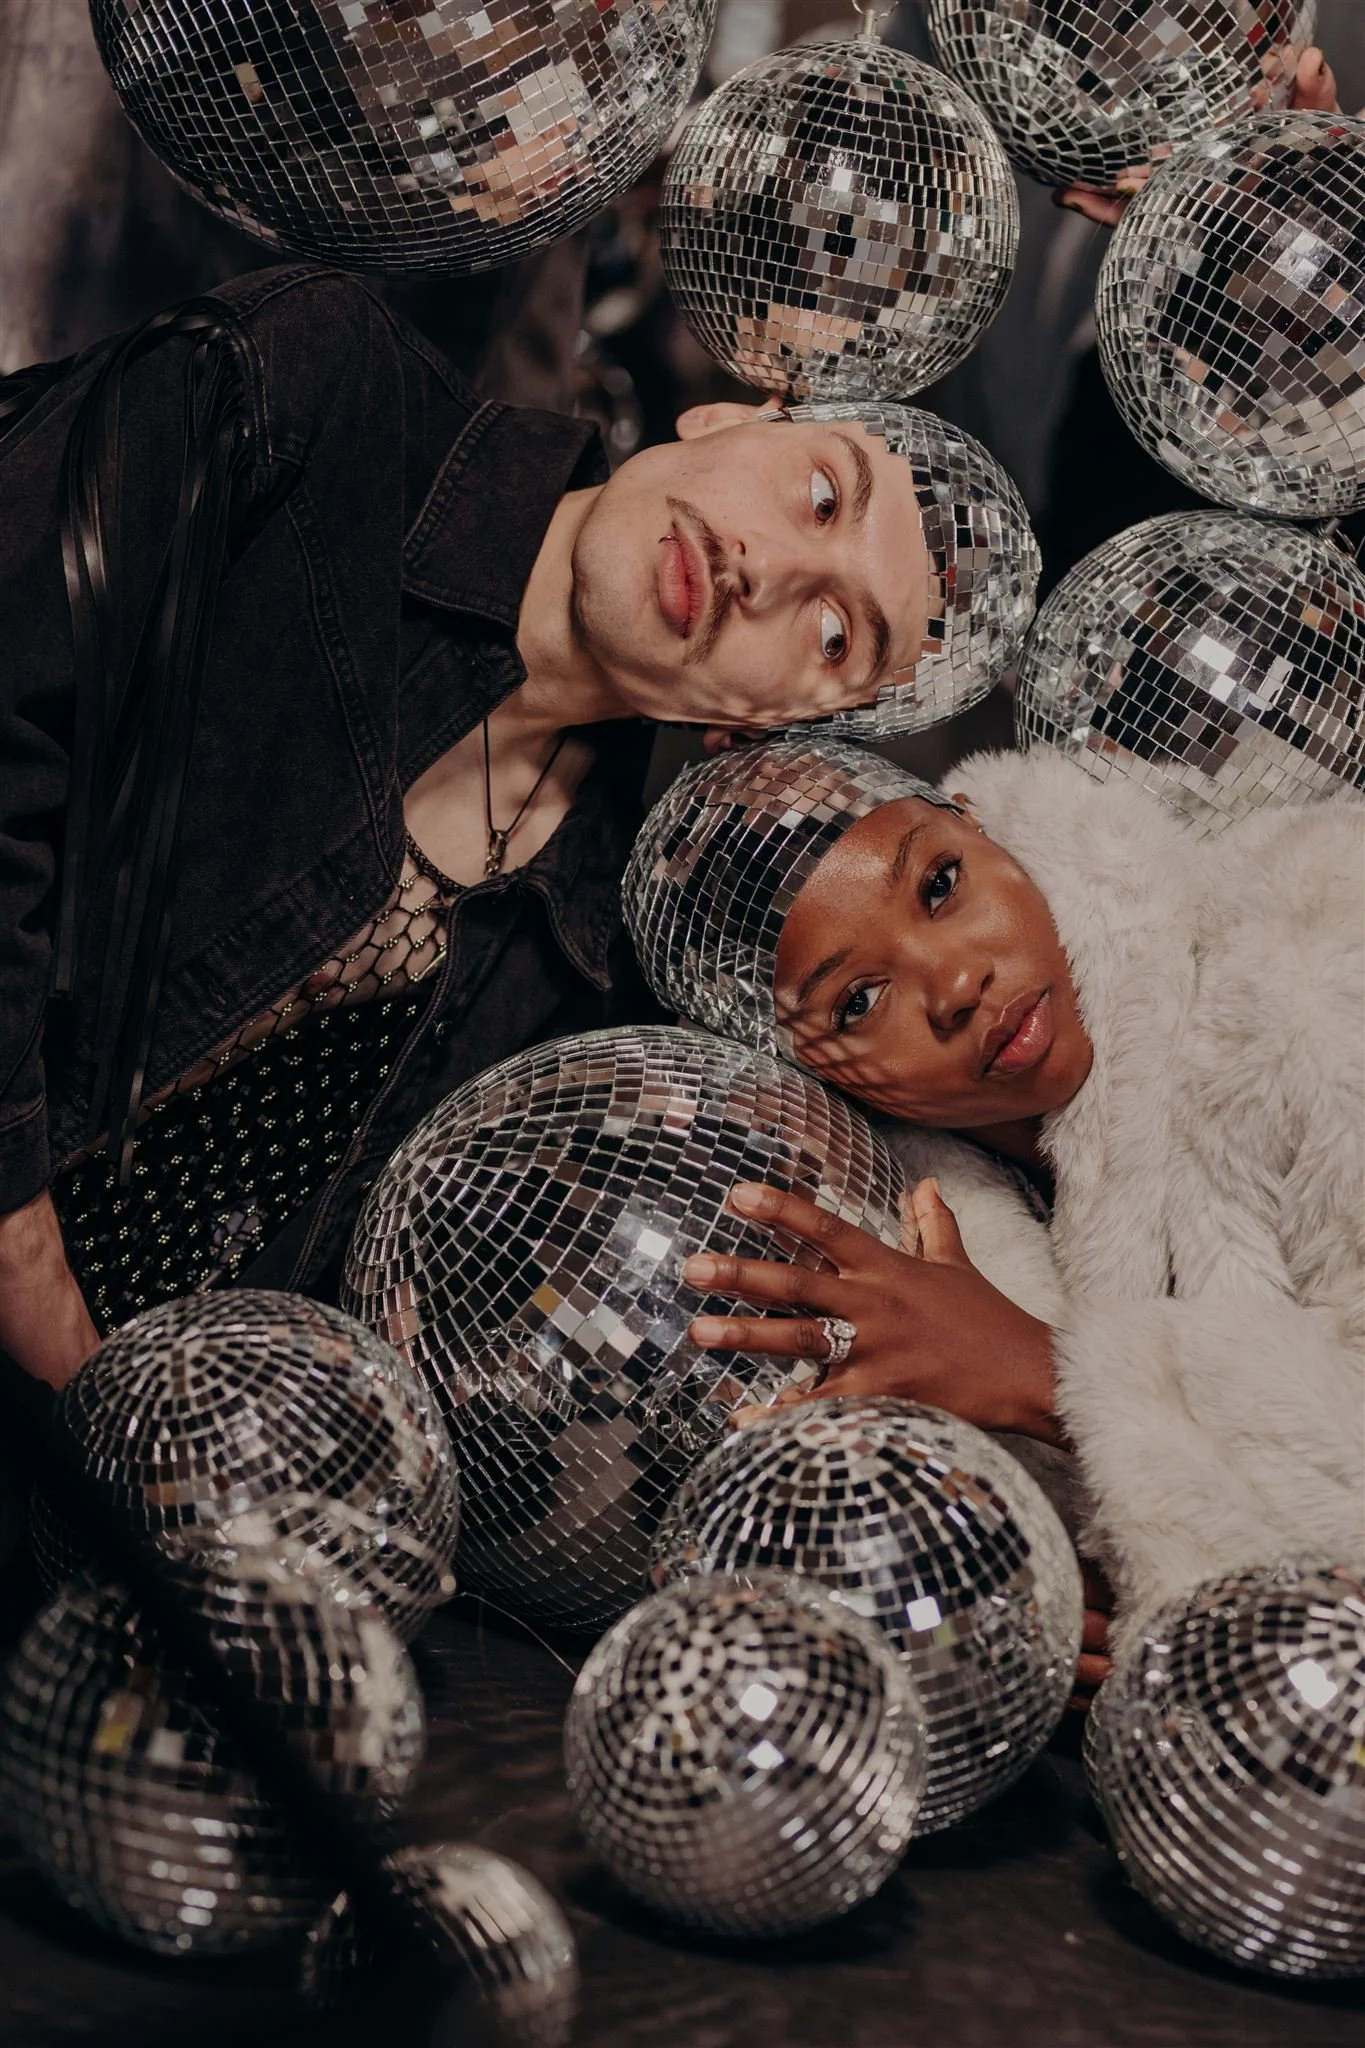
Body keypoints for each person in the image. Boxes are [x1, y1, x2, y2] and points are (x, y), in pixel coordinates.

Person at [0, 267, 1031, 1388]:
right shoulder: (316, 389)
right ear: (729, 418)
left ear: (775, 722)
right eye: (820, 497)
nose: (765, 568)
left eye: (834, 633)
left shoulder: (592, 987)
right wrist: (46, 1310)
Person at [623, 734, 1364, 1664]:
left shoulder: (1317, 952)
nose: (957, 982)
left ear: (981, 834)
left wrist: (1029, 1370)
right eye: (857, 1001)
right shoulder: (907, 1261)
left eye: (938, 886)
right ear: (806, 1074)